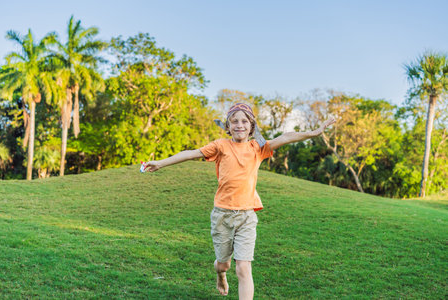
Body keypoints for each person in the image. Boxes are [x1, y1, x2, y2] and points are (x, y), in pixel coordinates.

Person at [142, 103, 335, 299]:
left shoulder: (257, 148)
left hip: (246, 216)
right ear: (228, 126)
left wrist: (314, 132)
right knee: (223, 263)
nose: (239, 125)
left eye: (244, 121)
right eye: (234, 121)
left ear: (251, 127)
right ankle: (221, 275)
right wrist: (160, 163)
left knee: (243, 268)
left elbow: (285, 137)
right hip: (222, 216)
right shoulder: (220, 146)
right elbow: (191, 154)